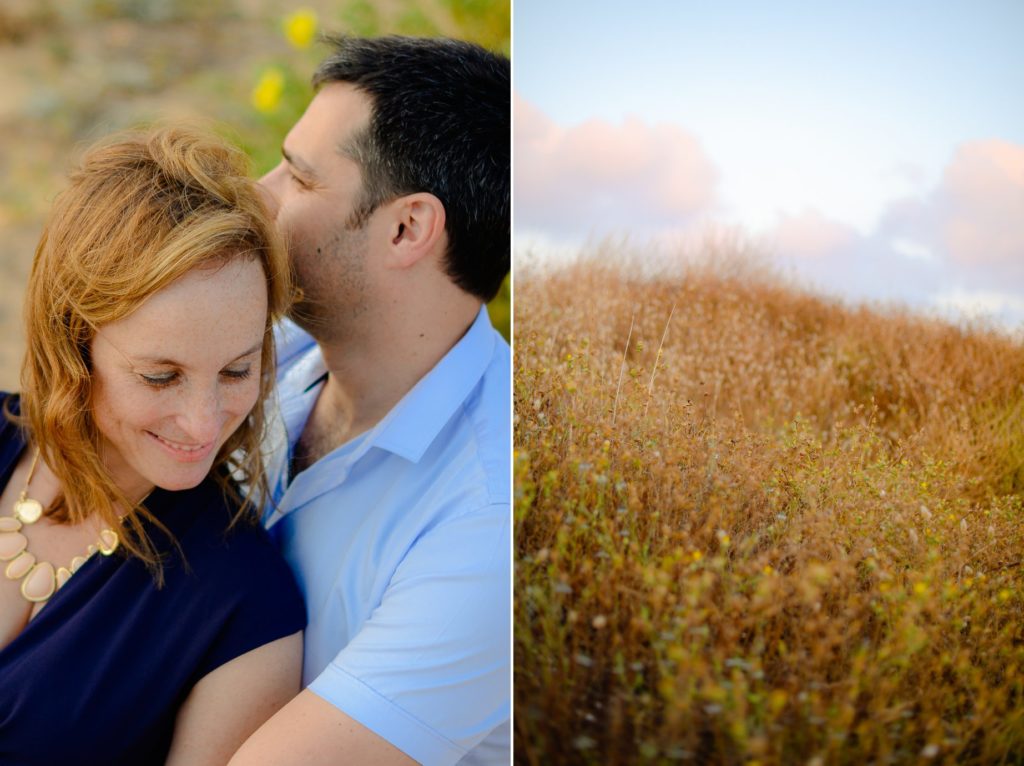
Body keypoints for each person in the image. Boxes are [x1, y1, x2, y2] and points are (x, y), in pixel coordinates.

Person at [230, 36, 510, 766]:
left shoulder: (488, 522)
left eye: (298, 177)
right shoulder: (267, 343)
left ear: (407, 228)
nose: (261, 195)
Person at [0, 125, 306, 765]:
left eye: (235, 371)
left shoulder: (245, 606)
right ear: (72, 342)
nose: (201, 424)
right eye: (160, 376)